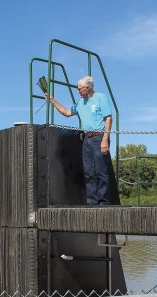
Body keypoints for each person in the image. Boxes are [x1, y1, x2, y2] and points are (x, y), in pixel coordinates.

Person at [46, 76, 112, 205]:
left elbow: (108, 118)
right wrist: (52, 100)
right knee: (88, 172)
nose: (78, 91)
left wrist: (105, 139)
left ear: (88, 88)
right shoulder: (80, 103)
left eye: (79, 89)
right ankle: (92, 202)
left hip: (99, 137)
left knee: (101, 171)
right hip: (86, 139)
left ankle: (103, 202)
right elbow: (66, 112)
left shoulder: (100, 97)